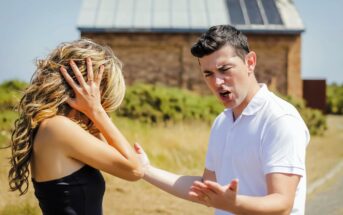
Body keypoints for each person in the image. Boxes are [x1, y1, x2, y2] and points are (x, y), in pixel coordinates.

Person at [134, 25, 310, 214]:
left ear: (250, 62)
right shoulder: (222, 122)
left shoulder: (279, 119)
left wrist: (233, 204)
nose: (217, 82)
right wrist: (145, 170)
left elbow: (283, 204)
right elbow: (206, 186)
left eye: (224, 69)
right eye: (208, 74)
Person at [8, 39, 143, 214]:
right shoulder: (57, 128)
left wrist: (93, 113)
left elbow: (118, 157)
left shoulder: (58, 127)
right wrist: (96, 110)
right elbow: (134, 170)